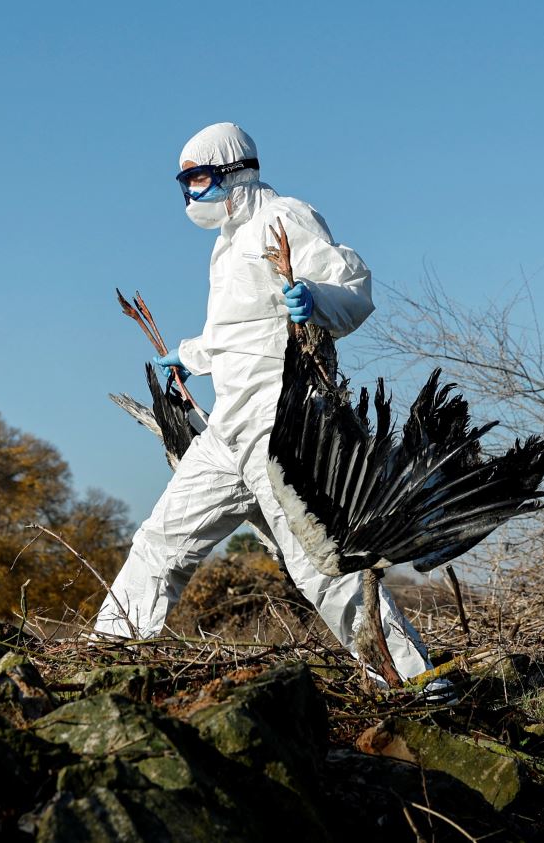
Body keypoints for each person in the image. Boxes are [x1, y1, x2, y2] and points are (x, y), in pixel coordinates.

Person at [92, 122, 434, 684]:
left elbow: (354, 290)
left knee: (320, 567)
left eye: (199, 178)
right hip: (229, 428)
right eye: (185, 183)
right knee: (159, 542)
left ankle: (413, 679)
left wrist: (316, 300)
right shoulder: (227, 243)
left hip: (281, 426)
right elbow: (239, 329)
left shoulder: (285, 217)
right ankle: (107, 660)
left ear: (235, 172)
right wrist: (189, 354)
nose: (191, 194)